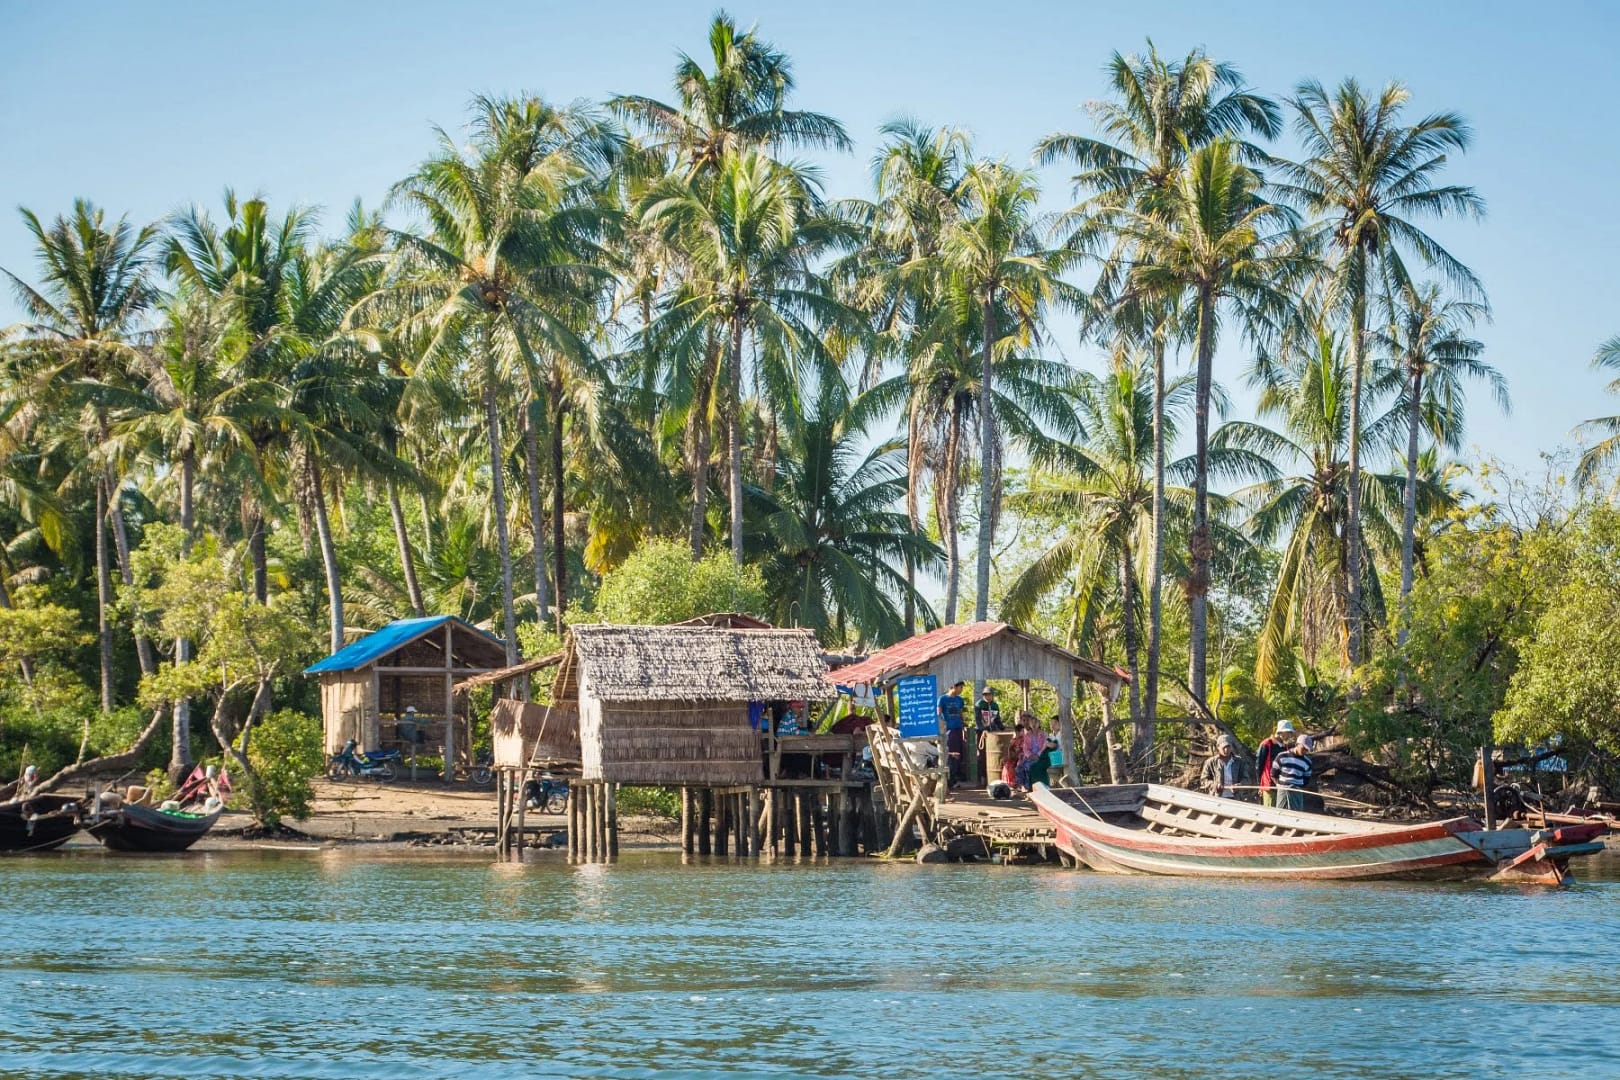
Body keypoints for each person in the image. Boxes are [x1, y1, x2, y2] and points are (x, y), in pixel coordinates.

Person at [1200, 734, 1257, 799]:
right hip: (1216, 798)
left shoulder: (1240, 762)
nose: (1226, 750)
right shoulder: (1210, 762)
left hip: (1236, 798)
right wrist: (1214, 785)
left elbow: (1247, 780)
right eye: (1224, 747)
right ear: (1218, 747)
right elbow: (1203, 780)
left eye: (1228, 747)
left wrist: (1239, 786)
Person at [1256, 720, 1295, 806]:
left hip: (1282, 786)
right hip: (1269, 786)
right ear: (1280, 732)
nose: (1289, 735)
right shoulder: (1266, 744)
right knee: (1270, 811)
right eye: (1288, 733)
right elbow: (1259, 766)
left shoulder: (1285, 747)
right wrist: (1260, 785)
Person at [1272, 735, 1314, 811]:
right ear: (1297, 744)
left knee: (1296, 815)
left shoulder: (1307, 762)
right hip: (1283, 790)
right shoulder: (1282, 756)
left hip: (1297, 791)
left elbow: (1306, 780)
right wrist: (1279, 785)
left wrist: (1296, 786)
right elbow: (1273, 774)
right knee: (1280, 813)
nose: (1304, 751)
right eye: (1303, 748)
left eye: (1306, 750)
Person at [937, 680, 966, 786]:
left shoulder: (960, 700)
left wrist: (964, 728)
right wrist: (941, 729)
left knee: (958, 754)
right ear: (953, 686)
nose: (961, 690)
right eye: (960, 687)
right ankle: (949, 780)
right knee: (949, 754)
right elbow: (938, 714)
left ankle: (954, 778)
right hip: (948, 730)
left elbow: (961, 714)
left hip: (958, 729)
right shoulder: (942, 699)